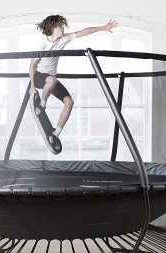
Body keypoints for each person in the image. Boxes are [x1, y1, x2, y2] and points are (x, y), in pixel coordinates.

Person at [29, 15, 118, 154]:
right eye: (60, 26)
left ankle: (56, 133)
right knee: (51, 80)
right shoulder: (41, 44)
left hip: (51, 79)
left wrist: (103, 28)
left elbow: (83, 32)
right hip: (40, 77)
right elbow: (32, 66)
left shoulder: (63, 39)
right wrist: (32, 86)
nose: (63, 28)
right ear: (53, 28)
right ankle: (42, 103)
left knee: (69, 102)